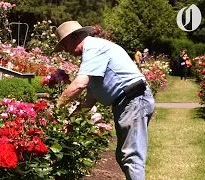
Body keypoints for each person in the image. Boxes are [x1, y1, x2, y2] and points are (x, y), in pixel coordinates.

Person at [54, 21, 155, 180]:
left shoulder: (94, 48)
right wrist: (72, 122)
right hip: (128, 102)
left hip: (133, 100)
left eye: (64, 44)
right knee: (124, 157)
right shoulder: (93, 54)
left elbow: (79, 85)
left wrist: (56, 108)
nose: (65, 50)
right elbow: (90, 99)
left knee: (131, 158)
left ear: (74, 37)